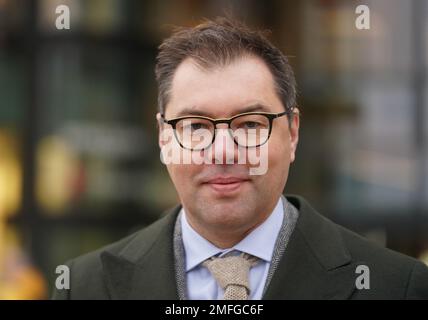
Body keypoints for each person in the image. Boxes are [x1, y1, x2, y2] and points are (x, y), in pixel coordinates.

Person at [52, 17, 428, 300]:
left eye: (249, 124)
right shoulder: (84, 288)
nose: (224, 151)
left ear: (292, 133)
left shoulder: (396, 286)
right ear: (165, 137)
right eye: (195, 126)